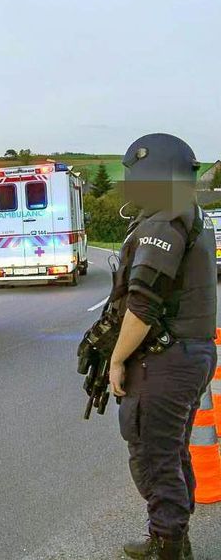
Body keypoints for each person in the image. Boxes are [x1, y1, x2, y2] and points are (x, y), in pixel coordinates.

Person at [106, 133, 217, 559]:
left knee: (154, 456)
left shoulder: (164, 220)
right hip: (192, 354)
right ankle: (172, 537)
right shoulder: (192, 213)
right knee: (172, 452)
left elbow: (143, 304)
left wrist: (117, 359)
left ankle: (168, 547)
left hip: (166, 360)